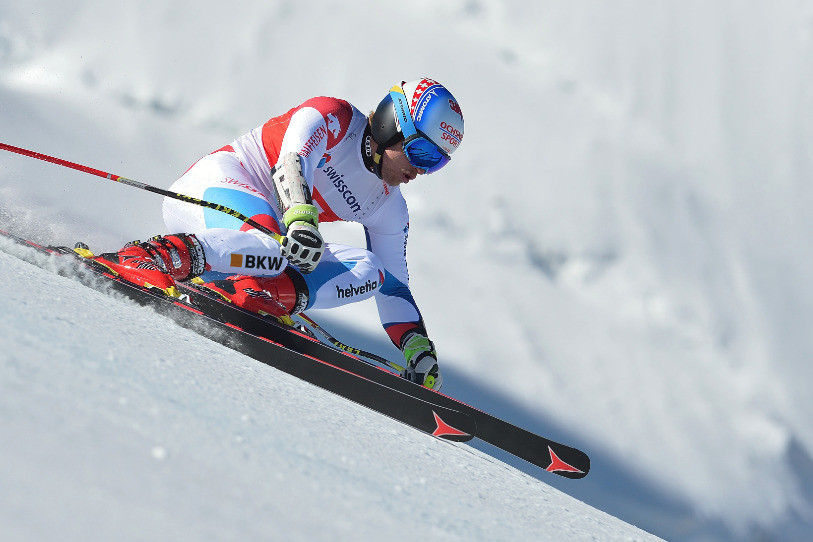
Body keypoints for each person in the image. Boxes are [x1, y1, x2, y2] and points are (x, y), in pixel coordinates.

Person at [88, 78, 464, 391]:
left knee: (371, 269)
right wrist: (300, 220)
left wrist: (418, 348)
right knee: (273, 245)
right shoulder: (334, 117)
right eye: (420, 153)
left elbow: (394, 285)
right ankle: (149, 257)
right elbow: (293, 161)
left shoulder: (389, 206)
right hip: (211, 190)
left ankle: (256, 294)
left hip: (253, 249)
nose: (420, 171)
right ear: (390, 125)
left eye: (436, 163)